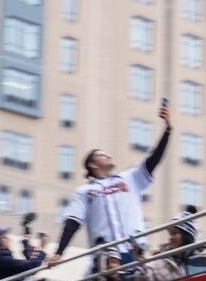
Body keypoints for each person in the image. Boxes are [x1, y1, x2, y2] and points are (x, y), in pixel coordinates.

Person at [55, 102, 171, 265]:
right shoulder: (85, 191)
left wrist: (167, 130)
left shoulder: (129, 178)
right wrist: (59, 252)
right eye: (102, 155)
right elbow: (73, 222)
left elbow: (153, 159)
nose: (108, 156)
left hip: (135, 252)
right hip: (105, 259)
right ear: (93, 165)